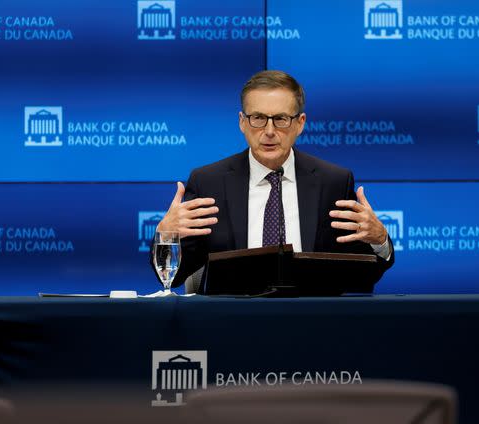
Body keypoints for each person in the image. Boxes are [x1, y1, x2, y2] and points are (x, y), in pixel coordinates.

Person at [154, 70, 394, 290]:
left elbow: (364, 276)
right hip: (231, 324)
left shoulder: (333, 182)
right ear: (242, 122)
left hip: (312, 324)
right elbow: (173, 277)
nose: (269, 131)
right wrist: (166, 237)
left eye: (280, 119)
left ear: (300, 124)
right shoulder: (209, 182)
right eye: (258, 118)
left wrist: (380, 240)